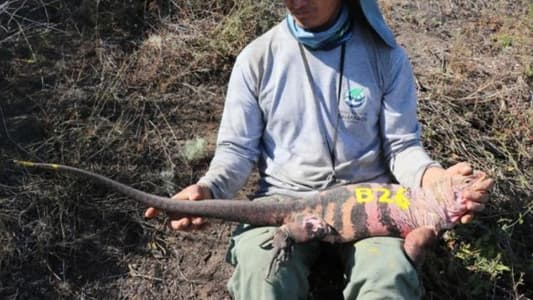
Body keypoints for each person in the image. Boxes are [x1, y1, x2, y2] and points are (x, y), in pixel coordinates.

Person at [145, 0, 494, 299]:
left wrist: (436, 179)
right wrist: (209, 189)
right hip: (284, 199)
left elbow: (402, 147)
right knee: (261, 276)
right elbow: (236, 151)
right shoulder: (257, 59)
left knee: (388, 279)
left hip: (370, 203)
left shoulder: (385, 57)